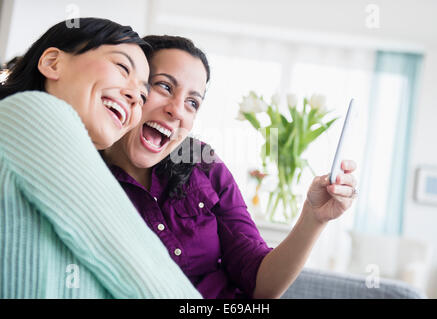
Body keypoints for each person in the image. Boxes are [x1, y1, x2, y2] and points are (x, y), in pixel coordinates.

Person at [102, 35, 358, 299]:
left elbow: (262, 284)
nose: (177, 110)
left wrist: (314, 217)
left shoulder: (200, 160)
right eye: (164, 86)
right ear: (133, 87)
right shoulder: (87, 173)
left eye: (192, 103)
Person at [0, 19, 201, 298]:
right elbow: (150, 276)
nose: (135, 96)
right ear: (53, 63)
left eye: (143, 93)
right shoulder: (32, 110)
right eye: (122, 67)